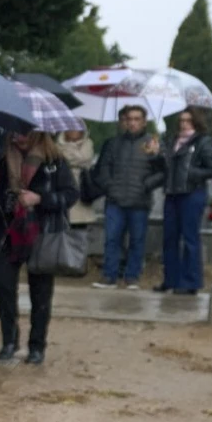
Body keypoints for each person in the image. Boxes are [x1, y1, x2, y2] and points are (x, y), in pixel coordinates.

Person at [0, 131, 79, 365]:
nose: (19, 137)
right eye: (14, 132)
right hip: (9, 232)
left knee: (41, 294)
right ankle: (9, 340)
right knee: (4, 288)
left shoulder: (54, 160)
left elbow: (71, 194)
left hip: (42, 232)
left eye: (25, 131)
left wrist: (40, 199)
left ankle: (37, 346)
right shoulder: (1, 158)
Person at [90, 105, 164, 290]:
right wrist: (109, 186)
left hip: (139, 201)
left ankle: (132, 277)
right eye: (129, 119)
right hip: (115, 200)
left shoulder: (152, 144)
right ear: (124, 121)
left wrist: (147, 183)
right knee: (112, 239)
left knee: (137, 241)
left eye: (137, 119)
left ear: (144, 121)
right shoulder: (113, 143)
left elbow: (163, 173)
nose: (132, 122)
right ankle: (109, 276)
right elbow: (101, 170)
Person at [155, 108, 212, 295]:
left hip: (192, 193)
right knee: (169, 238)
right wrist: (156, 155)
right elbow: (164, 167)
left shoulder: (203, 142)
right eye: (182, 120)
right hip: (172, 193)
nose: (184, 124)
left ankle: (191, 281)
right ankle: (171, 279)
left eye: (188, 120)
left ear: (195, 122)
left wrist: (192, 173)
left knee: (190, 238)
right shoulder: (171, 141)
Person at [55, 129, 96, 274]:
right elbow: (59, 158)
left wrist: (67, 152)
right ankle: (61, 263)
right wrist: (74, 153)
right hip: (61, 188)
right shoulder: (56, 144)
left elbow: (85, 158)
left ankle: (77, 264)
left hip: (81, 190)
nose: (73, 131)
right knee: (61, 230)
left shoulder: (88, 143)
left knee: (80, 232)